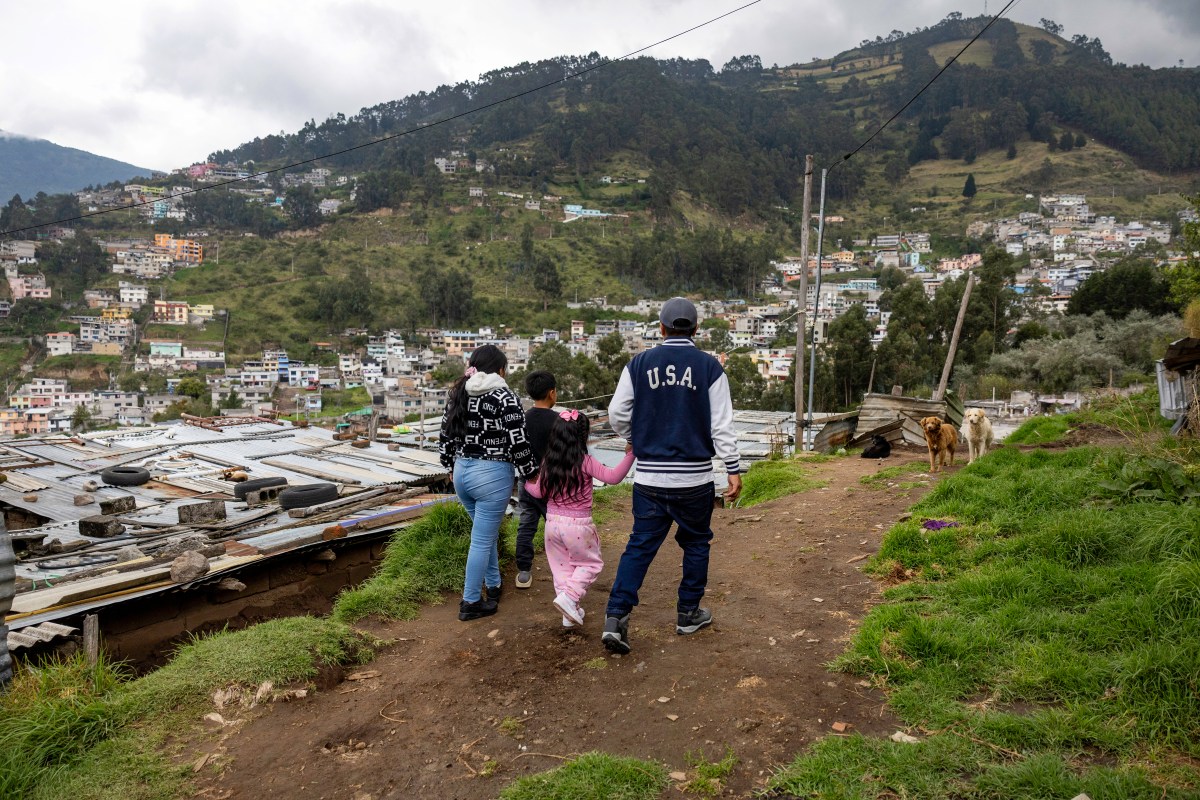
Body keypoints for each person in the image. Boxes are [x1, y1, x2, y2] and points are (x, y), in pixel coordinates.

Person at [601, 297, 742, 654]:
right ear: (696, 329)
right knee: (696, 543)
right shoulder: (710, 367)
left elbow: (617, 413)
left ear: (661, 328)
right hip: (694, 480)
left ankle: (616, 618)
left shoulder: (639, 363)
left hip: (649, 479)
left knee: (640, 545)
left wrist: (634, 437)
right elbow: (722, 425)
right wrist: (732, 468)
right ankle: (688, 613)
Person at [439, 345, 537, 621]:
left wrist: (449, 465)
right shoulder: (504, 396)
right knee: (481, 540)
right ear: (501, 370)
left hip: (461, 472)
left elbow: (445, 435)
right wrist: (530, 471)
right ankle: (470, 602)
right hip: (492, 475)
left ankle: (493, 585)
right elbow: (519, 441)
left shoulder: (459, 393)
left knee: (486, 533)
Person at [526, 410, 635, 628]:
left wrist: (528, 482)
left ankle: (568, 614)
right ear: (583, 436)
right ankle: (570, 598)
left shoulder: (548, 461)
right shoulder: (585, 461)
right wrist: (632, 454)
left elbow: (538, 492)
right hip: (578, 526)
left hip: (552, 524)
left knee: (562, 569)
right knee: (590, 564)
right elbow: (613, 477)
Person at [513, 370, 557, 589]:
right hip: (553, 484)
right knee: (557, 525)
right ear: (552, 393)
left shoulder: (522, 419)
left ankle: (523, 571)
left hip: (527, 480)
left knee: (527, 524)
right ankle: (563, 567)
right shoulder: (559, 421)